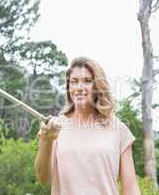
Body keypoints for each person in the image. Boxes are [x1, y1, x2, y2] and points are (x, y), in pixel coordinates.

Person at [34, 57, 141, 195]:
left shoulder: (119, 130)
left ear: (97, 86)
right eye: (74, 82)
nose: (79, 88)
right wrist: (46, 140)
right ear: (69, 87)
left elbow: (131, 187)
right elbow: (43, 178)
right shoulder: (55, 127)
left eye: (87, 81)